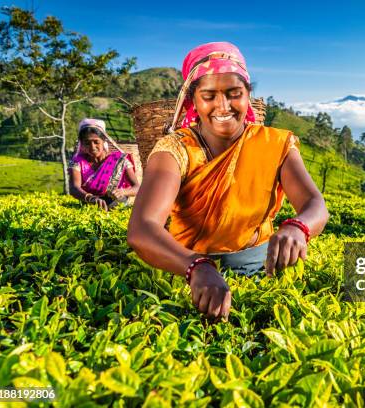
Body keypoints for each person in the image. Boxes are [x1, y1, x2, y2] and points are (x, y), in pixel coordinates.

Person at [127, 42, 329, 321]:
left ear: (247, 95)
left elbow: (314, 203)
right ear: (193, 101)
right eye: (209, 96)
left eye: (234, 94)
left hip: (263, 271)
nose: (223, 106)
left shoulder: (275, 143)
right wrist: (195, 266)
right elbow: (142, 228)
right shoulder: (176, 150)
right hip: (187, 274)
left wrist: (298, 227)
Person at [69, 118, 140, 211]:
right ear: (82, 144)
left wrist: (123, 191)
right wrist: (90, 198)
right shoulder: (78, 162)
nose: (92, 147)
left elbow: (137, 187)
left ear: (104, 140)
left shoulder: (120, 160)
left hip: (117, 208)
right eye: (87, 143)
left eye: (96, 142)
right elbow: (74, 188)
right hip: (89, 208)